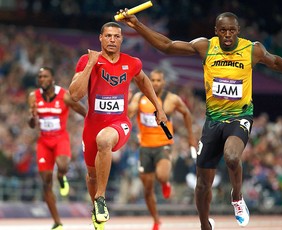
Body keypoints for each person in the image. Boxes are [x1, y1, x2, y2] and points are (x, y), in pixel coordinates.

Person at [118, 10, 282, 230]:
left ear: (238, 31)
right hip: (212, 121)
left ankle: (237, 197)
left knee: (232, 157)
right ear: (216, 31)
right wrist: (136, 25)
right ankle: (205, 225)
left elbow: (276, 62)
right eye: (223, 30)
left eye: (232, 30)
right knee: (203, 185)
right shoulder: (206, 46)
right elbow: (166, 45)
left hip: (239, 116)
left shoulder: (252, 49)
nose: (227, 35)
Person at [68, 22, 168, 230]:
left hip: (118, 123)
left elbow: (143, 81)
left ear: (122, 39)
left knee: (104, 140)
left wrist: (158, 107)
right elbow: (75, 95)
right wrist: (90, 65)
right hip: (92, 125)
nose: (112, 40)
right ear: (101, 38)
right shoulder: (87, 60)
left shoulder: (132, 62)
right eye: (108, 36)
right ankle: (97, 208)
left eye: (116, 36)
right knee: (92, 175)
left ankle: (101, 198)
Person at [128, 69, 197, 230]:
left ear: (164, 82)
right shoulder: (139, 98)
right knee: (147, 189)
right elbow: (129, 113)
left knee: (162, 174)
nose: (155, 83)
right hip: (145, 147)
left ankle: (165, 183)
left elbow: (186, 114)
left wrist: (191, 137)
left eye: (158, 80)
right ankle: (156, 220)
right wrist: (125, 100)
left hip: (163, 145)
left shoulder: (171, 99)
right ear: (148, 81)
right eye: (152, 80)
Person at [28, 67, 87, 230]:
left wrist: (93, 125)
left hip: (60, 139)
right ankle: (57, 222)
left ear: (52, 78)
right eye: (39, 76)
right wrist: (32, 118)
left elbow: (83, 111)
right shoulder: (33, 96)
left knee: (62, 166)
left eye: (45, 76)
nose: (42, 79)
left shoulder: (64, 96)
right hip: (44, 142)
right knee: (46, 183)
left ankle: (62, 178)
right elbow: (32, 124)